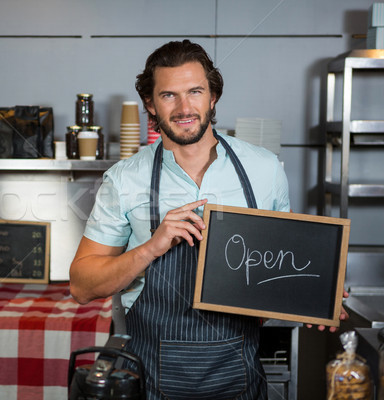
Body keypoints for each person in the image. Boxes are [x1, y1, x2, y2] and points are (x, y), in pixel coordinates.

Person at [69, 40, 345, 399]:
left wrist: (312, 295)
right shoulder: (125, 179)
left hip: (238, 377)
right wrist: (151, 248)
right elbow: (81, 286)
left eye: (195, 91)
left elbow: (280, 265)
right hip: (149, 377)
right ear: (150, 104)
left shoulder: (264, 170)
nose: (185, 108)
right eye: (169, 95)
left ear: (213, 96)